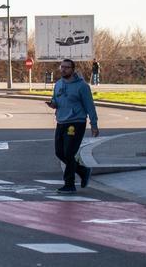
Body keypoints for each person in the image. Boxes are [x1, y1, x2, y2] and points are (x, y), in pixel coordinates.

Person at [46, 58, 99, 194]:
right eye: (62, 67)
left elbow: (89, 105)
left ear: (73, 69)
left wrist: (94, 124)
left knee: (69, 153)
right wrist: (53, 104)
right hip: (61, 122)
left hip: (76, 122)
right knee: (59, 152)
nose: (63, 69)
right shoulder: (58, 84)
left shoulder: (82, 86)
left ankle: (69, 184)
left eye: (67, 67)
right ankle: (83, 170)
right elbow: (56, 100)